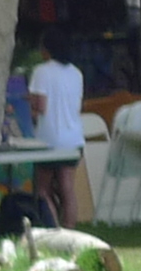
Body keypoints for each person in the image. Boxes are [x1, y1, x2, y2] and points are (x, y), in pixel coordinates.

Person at [19, 34, 89, 224]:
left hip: (48, 141)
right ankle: (70, 230)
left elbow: (41, 106)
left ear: (47, 50)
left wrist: (27, 98)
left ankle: (53, 228)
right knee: (67, 189)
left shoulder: (42, 71)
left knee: (43, 189)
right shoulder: (76, 73)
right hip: (73, 138)